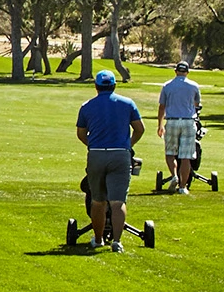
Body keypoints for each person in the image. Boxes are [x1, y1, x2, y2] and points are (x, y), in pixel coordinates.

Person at [76, 69, 144, 251]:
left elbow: (81, 133)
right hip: (120, 155)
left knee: (98, 200)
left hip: (97, 154)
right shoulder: (128, 104)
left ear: (96, 86)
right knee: (118, 202)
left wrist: (92, 144)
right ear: (114, 85)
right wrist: (128, 144)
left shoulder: (87, 106)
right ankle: (117, 241)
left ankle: (98, 240)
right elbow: (139, 129)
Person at [157, 60, 202, 192]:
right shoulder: (194, 86)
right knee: (186, 156)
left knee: (170, 153)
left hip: (172, 121)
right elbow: (196, 104)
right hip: (188, 122)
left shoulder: (167, 86)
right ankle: (183, 187)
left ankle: (174, 176)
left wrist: (160, 125)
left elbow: (162, 107)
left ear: (176, 71)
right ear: (187, 72)